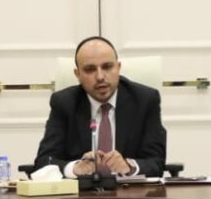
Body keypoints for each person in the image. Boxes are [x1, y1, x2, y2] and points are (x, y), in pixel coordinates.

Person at [34, 36, 166, 177]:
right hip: (82, 190)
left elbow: (156, 162)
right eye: (90, 69)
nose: (100, 77)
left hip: (128, 189)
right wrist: (75, 168)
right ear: (78, 74)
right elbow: (44, 162)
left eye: (107, 67)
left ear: (118, 68)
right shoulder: (64, 103)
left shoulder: (145, 100)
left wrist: (129, 166)